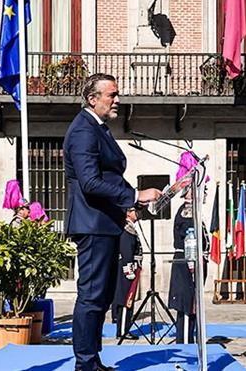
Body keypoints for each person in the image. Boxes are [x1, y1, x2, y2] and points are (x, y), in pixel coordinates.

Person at [64, 73, 161, 371]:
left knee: (103, 296)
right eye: (112, 95)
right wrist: (134, 194)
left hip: (106, 223)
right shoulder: (83, 130)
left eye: (117, 94)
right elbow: (90, 182)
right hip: (92, 225)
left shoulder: (98, 128)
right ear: (92, 99)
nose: (117, 100)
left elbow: (108, 176)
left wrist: (129, 206)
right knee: (92, 296)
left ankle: (92, 360)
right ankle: (84, 364)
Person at [168, 184, 206, 345]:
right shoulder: (188, 212)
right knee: (186, 304)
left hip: (192, 261)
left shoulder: (194, 211)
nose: (204, 193)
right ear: (190, 193)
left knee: (193, 304)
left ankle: (189, 339)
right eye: (201, 190)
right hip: (187, 261)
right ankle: (184, 342)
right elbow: (189, 240)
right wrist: (192, 263)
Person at [111, 210, 143, 340]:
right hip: (128, 268)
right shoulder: (126, 229)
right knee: (125, 299)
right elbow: (126, 251)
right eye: (135, 210)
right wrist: (128, 269)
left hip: (133, 266)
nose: (138, 213)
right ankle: (123, 330)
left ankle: (125, 328)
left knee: (128, 298)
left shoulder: (130, 228)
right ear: (128, 213)